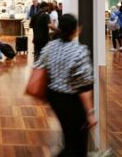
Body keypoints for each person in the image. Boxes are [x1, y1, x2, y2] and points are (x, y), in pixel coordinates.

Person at [34, 14, 96, 156]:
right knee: (77, 144)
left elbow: (38, 65)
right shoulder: (79, 51)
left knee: (69, 135)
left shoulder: (50, 47)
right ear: (76, 30)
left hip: (54, 97)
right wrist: (90, 112)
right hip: (71, 100)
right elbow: (84, 86)